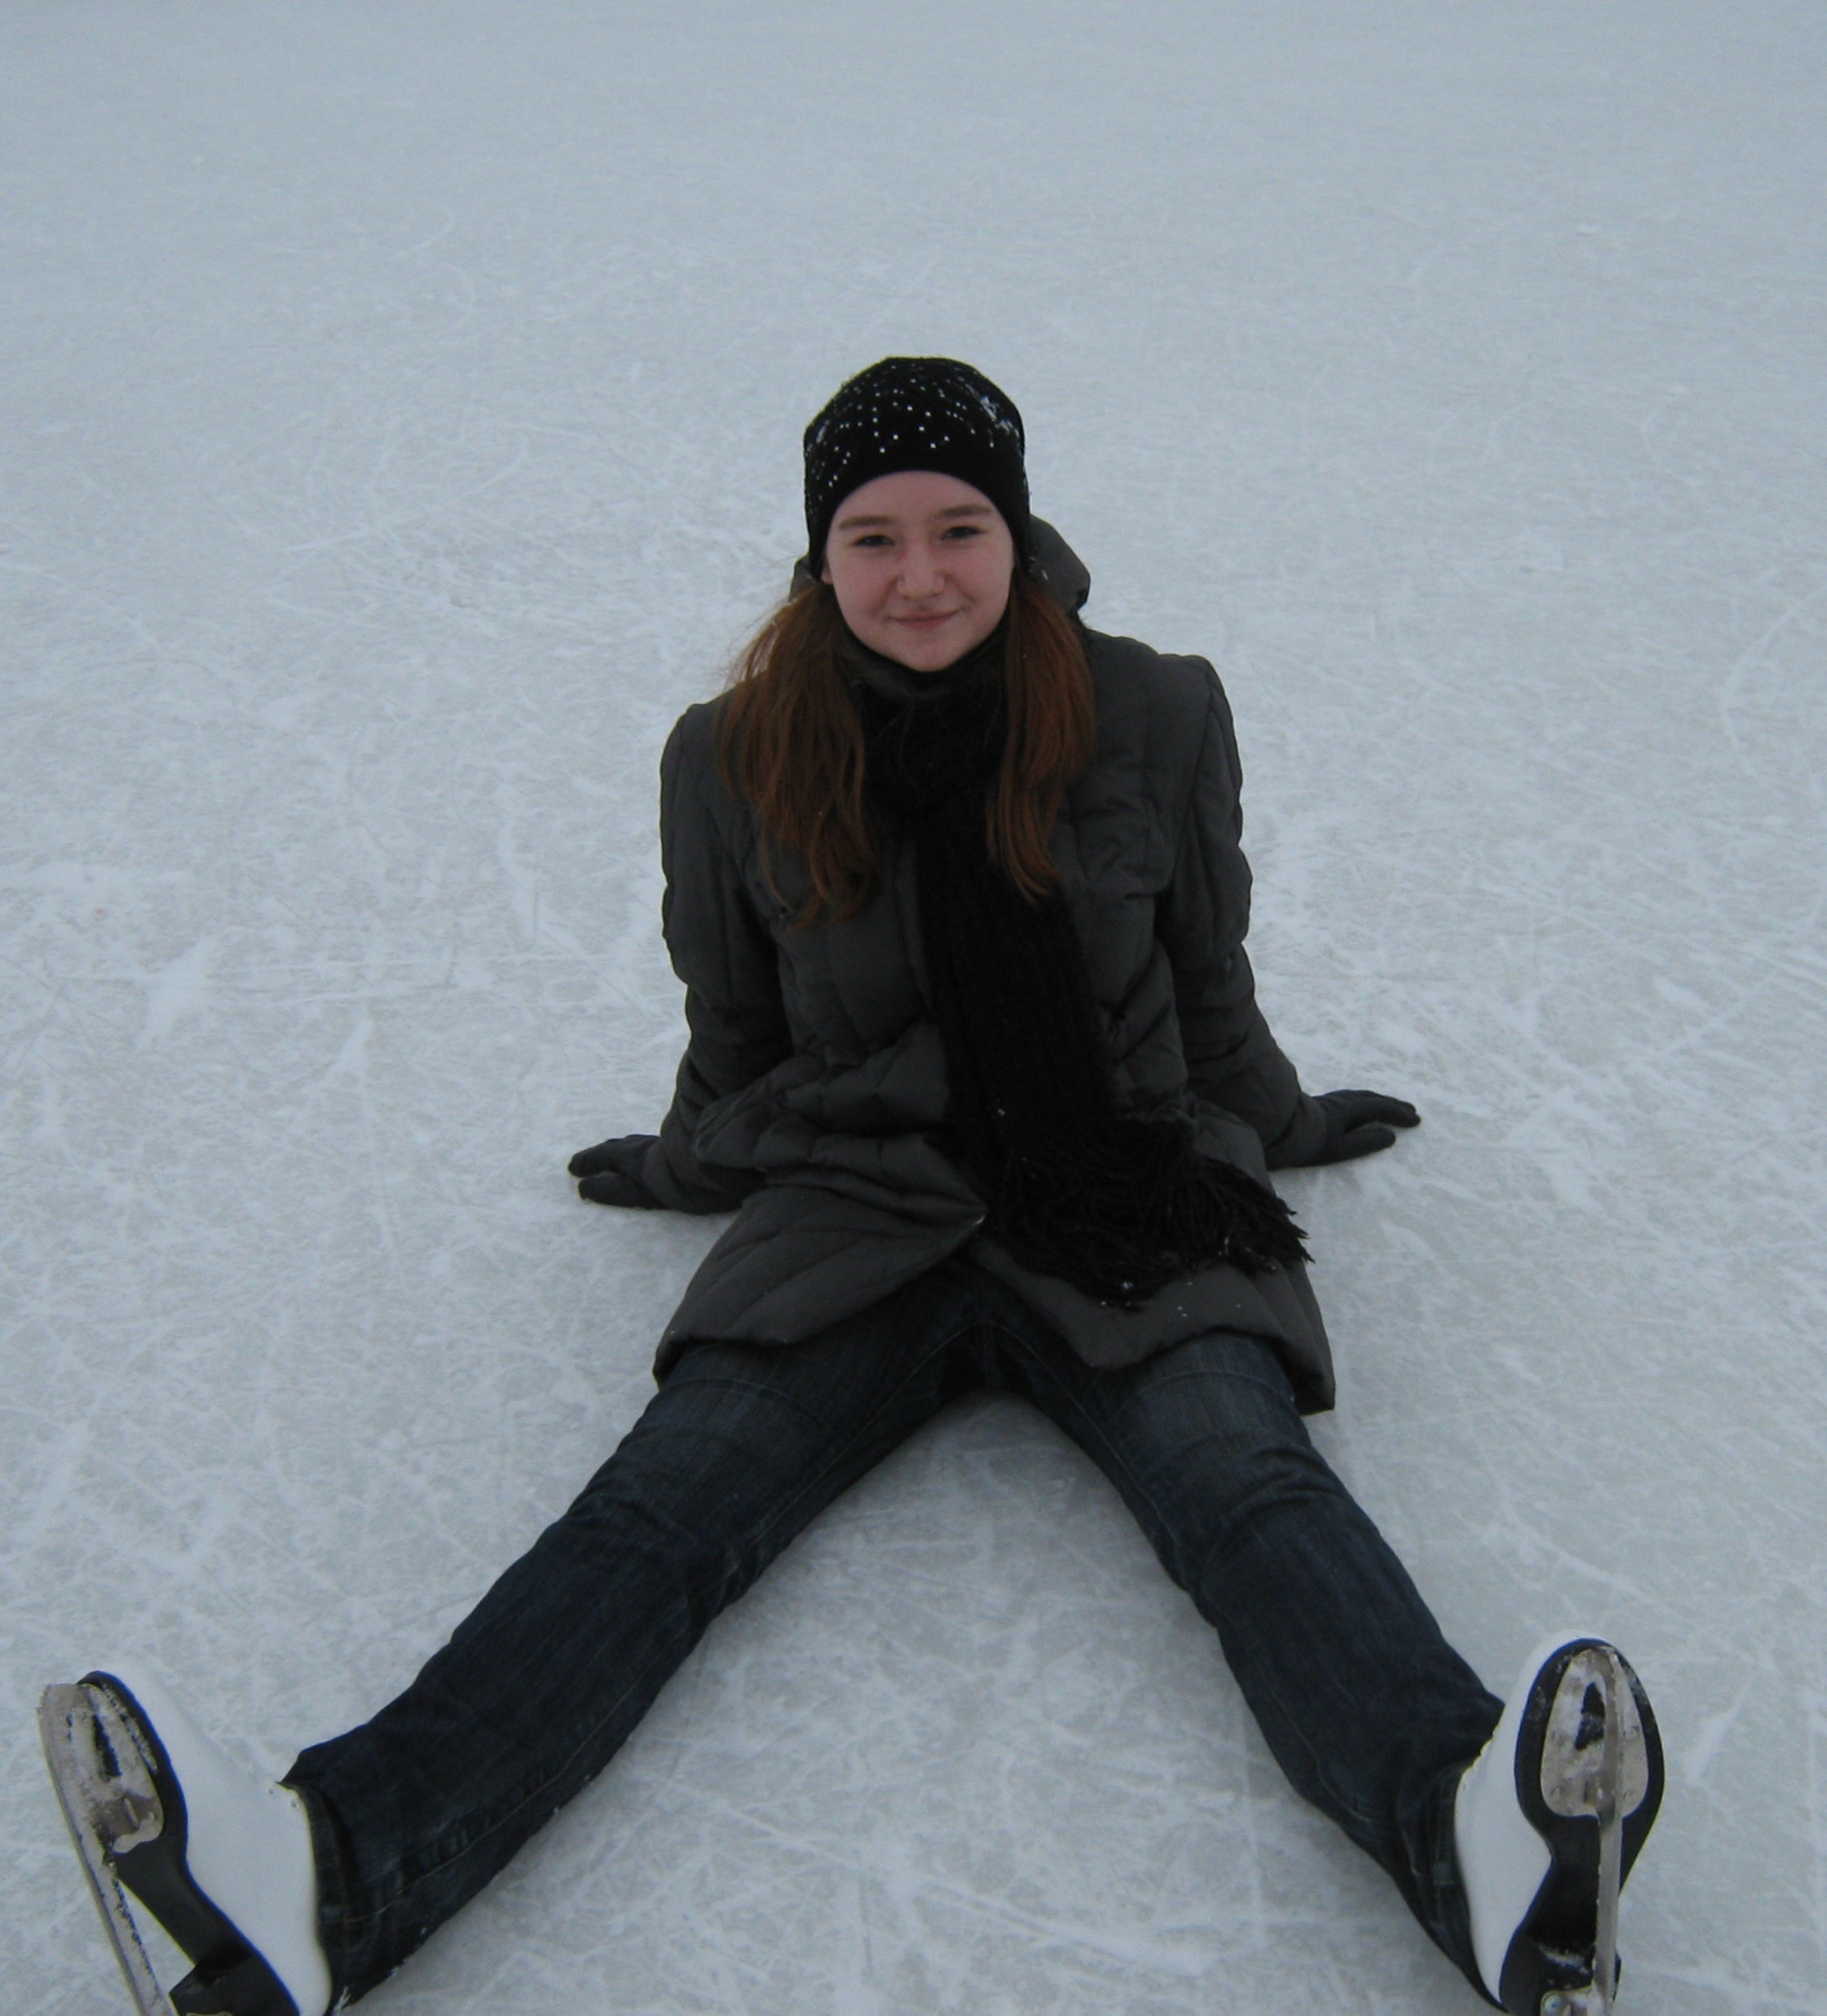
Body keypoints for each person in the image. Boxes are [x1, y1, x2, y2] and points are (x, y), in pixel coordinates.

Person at [41, 358, 1664, 2016]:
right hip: (858, 1207)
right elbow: (736, 1032)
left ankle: (1481, 1851)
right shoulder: (733, 756)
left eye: (959, 529)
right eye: (872, 538)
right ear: (819, 556)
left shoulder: (1155, 711)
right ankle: (326, 1878)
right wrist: (680, 1163)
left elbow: (1205, 984)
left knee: (1250, 1492)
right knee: (654, 1519)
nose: (919, 577)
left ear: (1017, 532)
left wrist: (1285, 1120)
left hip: (1120, 1186)